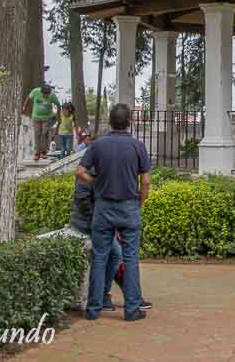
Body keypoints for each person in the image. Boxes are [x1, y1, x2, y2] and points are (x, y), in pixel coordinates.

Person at [77, 103, 151, 322]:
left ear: (110, 121)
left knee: (99, 257)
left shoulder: (98, 145)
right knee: (130, 258)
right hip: (129, 205)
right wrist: (141, 202)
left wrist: (95, 183)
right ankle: (132, 309)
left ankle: (93, 309)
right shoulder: (137, 146)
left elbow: (80, 171)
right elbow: (145, 180)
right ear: (129, 121)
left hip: (103, 206)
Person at [70, 163, 151, 312]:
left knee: (117, 253)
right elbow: (82, 200)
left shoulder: (105, 168)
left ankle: (106, 296)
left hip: (102, 222)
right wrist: (99, 219)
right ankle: (103, 297)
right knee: (114, 254)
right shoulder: (88, 171)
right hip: (87, 225)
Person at [23, 83, 61, 161]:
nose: (46, 96)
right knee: (37, 134)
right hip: (36, 117)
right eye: (45, 94)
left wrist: (58, 115)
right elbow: (28, 98)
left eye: (48, 94)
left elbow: (58, 105)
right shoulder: (35, 91)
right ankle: (37, 152)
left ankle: (44, 152)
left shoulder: (52, 95)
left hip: (47, 117)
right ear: (41, 91)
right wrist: (25, 106)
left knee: (45, 133)